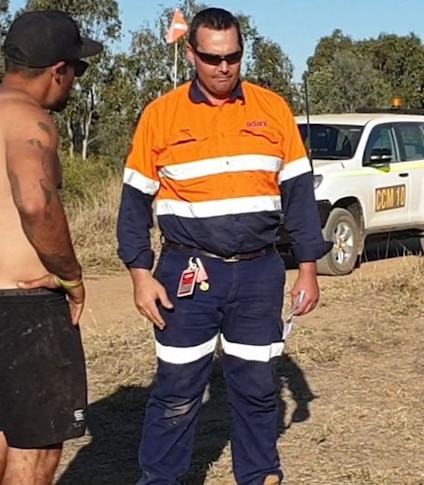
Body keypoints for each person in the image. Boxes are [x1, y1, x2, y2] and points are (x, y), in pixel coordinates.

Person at [115, 7, 331, 485]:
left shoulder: (272, 109)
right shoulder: (161, 115)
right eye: (212, 58)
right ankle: (161, 478)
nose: (223, 68)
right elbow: (134, 204)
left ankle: (259, 473)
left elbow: (298, 196)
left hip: (258, 274)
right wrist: (139, 274)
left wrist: (309, 268)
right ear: (191, 53)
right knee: (176, 388)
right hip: (186, 274)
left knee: (256, 386)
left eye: (233, 56)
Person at [0, 9, 102, 485]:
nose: (74, 83)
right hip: (24, 313)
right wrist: (70, 276)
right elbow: (35, 203)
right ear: (58, 70)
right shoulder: (30, 120)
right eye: (76, 71)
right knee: (36, 456)